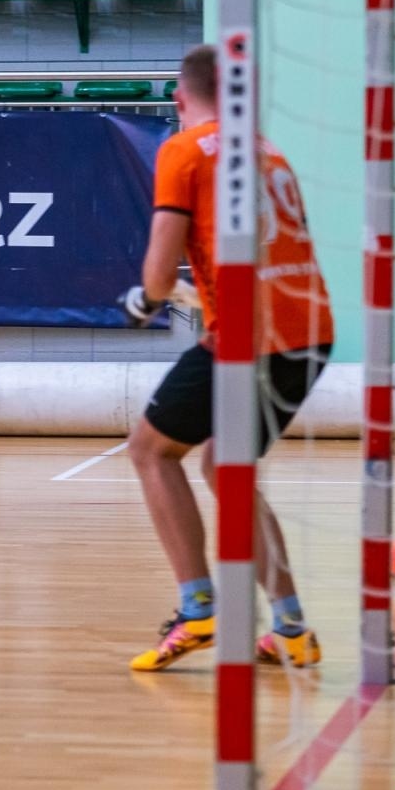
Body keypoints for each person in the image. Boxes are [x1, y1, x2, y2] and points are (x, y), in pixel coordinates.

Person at [122, 44, 333, 671]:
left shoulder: (184, 150)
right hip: (313, 333)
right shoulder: (272, 152)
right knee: (225, 468)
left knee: (151, 451)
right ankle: (291, 626)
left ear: (180, 99)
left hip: (251, 338)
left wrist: (142, 299)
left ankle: (198, 612)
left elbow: (160, 278)